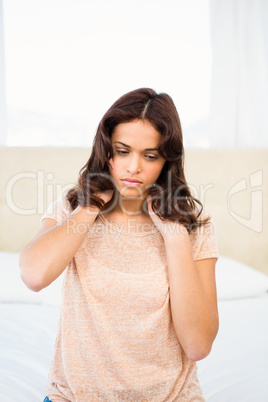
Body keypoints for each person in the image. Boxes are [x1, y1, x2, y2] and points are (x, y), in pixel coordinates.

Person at [19, 88, 219, 402]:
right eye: (122, 151)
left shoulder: (193, 222)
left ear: (167, 160)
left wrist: (175, 236)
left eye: (149, 155)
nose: (133, 167)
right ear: (106, 151)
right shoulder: (72, 208)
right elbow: (33, 276)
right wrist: (89, 207)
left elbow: (198, 345)